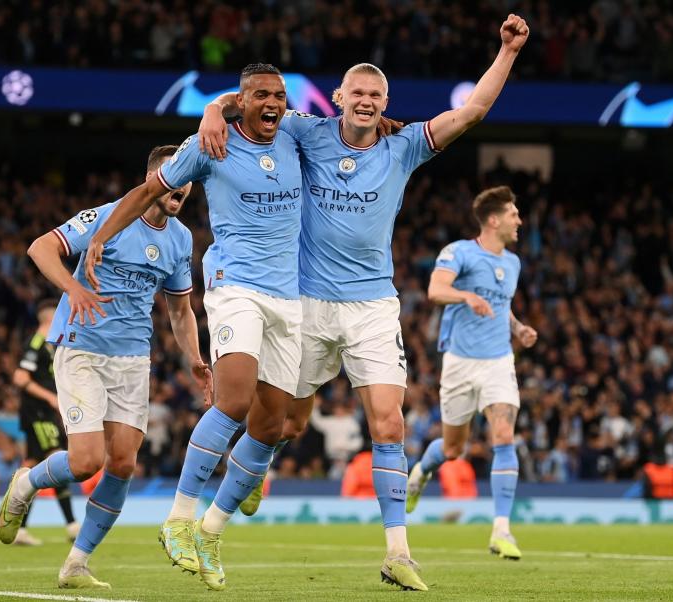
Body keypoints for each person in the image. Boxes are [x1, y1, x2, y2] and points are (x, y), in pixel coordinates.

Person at [198, 13, 530, 591]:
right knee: (281, 425)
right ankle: (226, 503)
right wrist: (212, 109)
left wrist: (506, 51)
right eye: (358, 92)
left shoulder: (405, 146)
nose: (368, 101)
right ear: (339, 98)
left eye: (377, 94)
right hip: (302, 302)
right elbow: (255, 103)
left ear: (386, 101)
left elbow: (471, 112)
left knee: (389, 422)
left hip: (372, 306)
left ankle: (396, 551)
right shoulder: (305, 131)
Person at [84, 63, 302, 592]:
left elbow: (349, 130)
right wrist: (101, 236)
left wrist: (382, 125)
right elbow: (146, 191)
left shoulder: (299, 132)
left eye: (279, 95)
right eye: (260, 96)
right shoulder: (208, 143)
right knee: (232, 399)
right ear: (241, 101)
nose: (272, 104)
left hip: (290, 293)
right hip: (235, 286)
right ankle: (179, 517)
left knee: (275, 427)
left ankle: (211, 529)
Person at [0, 145, 210, 590]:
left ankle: (76, 564)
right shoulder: (107, 218)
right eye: (174, 180)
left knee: (123, 464)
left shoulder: (181, 238)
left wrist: (193, 357)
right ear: (154, 178)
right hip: (82, 349)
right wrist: (73, 288)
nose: (181, 190)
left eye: (186, 185)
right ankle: (25, 484)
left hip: (132, 360)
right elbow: (40, 249)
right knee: (85, 461)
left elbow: (179, 310)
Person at [405, 186, 538, 562]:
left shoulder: (513, 263)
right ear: (494, 220)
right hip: (461, 362)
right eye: (514, 215)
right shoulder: (459, 252)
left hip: (498, 361)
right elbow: (435, 290)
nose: (519, 221)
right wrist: (467, 296)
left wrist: (518, 328)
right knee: (453, 449)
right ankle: (420, 473)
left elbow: (502, 305)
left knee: (503, 433)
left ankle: (501, 529)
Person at [9, 299, 79, 546]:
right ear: (50, 319)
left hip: (43, 414)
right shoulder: (36, 343)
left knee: (30, 467)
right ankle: (72, 524)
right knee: (56, 457)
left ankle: (18, 526)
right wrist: (49, 397)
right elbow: (20, 377)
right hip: (36, 413)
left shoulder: (51, 344)